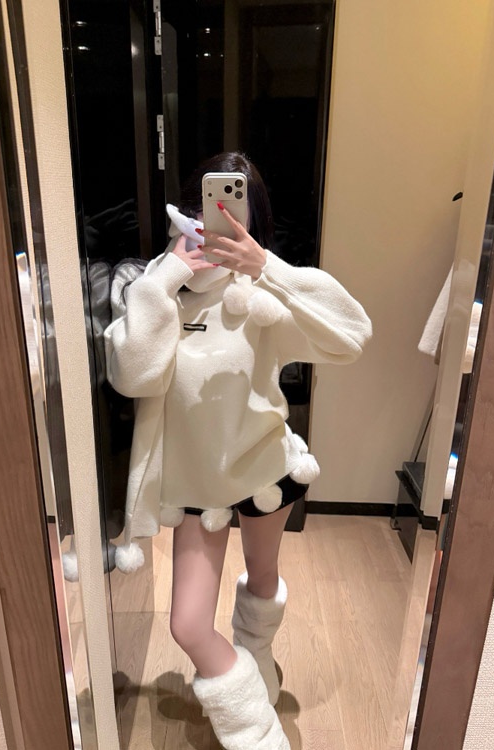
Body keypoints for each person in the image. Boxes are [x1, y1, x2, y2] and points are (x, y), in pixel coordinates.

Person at [104, 152, 372, 749]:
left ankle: (257, 659)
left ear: (253, 216)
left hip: (263, 471)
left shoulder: (261, 292)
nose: (219, 216)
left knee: (262, 574)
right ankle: (256, 730)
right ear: (189, 209)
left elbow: (352, 335)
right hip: (195, 488)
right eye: (208, 203)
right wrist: (164, 279)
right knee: (188, 624)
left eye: (235, 204)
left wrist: (267, 266)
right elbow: (133, 375)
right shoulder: (157, 285)